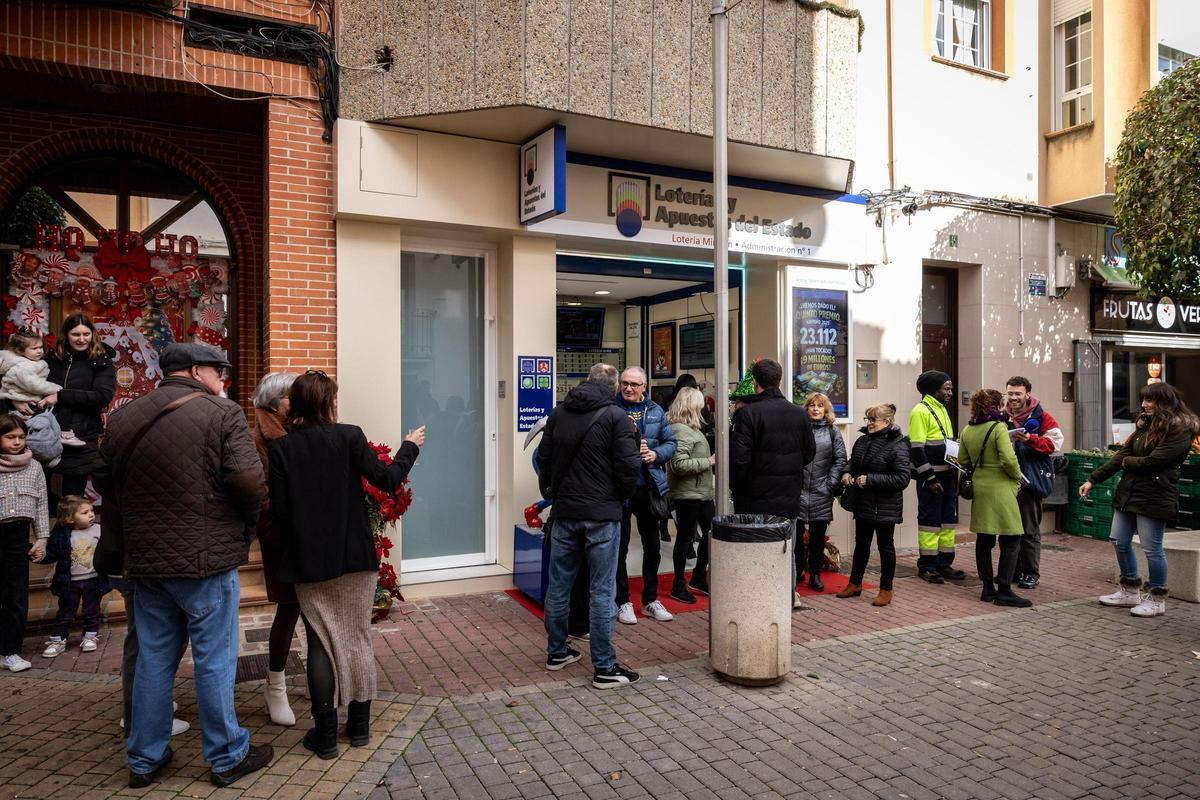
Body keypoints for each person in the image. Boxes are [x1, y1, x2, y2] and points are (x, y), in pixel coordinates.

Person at [94, 342, 271, 789]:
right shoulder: (221, 413)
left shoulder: (124, 417)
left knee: (153, 657)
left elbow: (103, 480)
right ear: (196, 371)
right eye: (219, 371)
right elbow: (249, 481)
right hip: (205, 558)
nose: (224, 380)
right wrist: (247, 524)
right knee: (214, 658)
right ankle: (228, 755)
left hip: (146, 558)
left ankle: (144, 758)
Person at [269, 371, 424, 758]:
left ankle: (324, 737)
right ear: (328, 403)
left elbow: (282, 515)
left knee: (320, 641)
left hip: (308, 562)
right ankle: (358, 730)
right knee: (356, 636)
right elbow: (387, 479)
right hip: (354, 557)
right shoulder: (349, 436)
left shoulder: (282, 449)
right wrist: (409, 446)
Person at [537, 363, 641, 688]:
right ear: (613, 388)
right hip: (602, 515)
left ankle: (556, 651)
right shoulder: (616, 418)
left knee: (558, 585)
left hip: (565, 511)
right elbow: (629, 468)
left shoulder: (558, 414)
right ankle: (605, 668)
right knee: (601, 590)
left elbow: (544, 459)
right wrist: (618, 499)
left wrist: (552, 492)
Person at [1082, 382, 1200, 617]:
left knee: (1152, 548)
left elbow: (1153, 461)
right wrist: (1093, 479)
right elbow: (1122, 455)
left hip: (1155, 495)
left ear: (1165, 402)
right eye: (1143, 400)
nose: (1144, 405)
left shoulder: (1179, 430)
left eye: (1150, 400)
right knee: (1119, 540)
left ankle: (1157, 599)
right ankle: (1129, 590)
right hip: (1130, 492)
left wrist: (1128, 463)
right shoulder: (1146, 426)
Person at [730, 358, 816, 607]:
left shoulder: (747, 415)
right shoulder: (799, 413)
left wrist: (739, 489)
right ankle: (787, 597)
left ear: (755, 384)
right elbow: (809, 453)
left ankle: (758, 601)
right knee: (785, 548)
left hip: (754, 497)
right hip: (788, 494)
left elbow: (739, 460)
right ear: (778, 381)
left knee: (754, 550)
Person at [251, 371, 299, 726]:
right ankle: (276, 685)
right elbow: (259, 492)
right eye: (289, 396)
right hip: (281, 534)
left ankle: (319, 673)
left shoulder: (297, 429)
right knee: (289, 607)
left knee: (314, 605)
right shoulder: (259, 438)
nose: (295, 402)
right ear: (274, 402)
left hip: (308, 532)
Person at [614, 367, 676, 624]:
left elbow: (670, 443)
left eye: (634, 384)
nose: (628, 388)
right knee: (620, 547)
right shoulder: (612, 410)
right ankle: (622, 601)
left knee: (652, 545)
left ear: (644, 386)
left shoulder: (656, 410)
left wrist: (655, 454)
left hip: (649, 487)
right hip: (620, 488)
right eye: (625, 383)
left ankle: (650, 600)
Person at [959, 389, 1031, 608]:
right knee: (1011, 538)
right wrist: (1018, 477)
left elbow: (962, 459)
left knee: (984, 539)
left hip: (981, 487)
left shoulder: (968, 428)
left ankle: (987, 588)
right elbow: (1009, 460)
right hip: (1001, 487)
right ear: (998, 405)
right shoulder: (999, 427)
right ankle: (1005, 590)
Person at [837, 404, 909, 606]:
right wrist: (846, 472)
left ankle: (886, 589)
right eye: (867, 419)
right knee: (861, 546)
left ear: (886, 422)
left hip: (885, 506)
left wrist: (870, 480)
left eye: (873, 420)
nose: (869, 423)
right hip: (863, 503)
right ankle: (855, 584)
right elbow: (854, 461)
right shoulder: (862, 441)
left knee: (886, 547)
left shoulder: (898, 445)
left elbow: (902, 479)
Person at [45, 314, 116, 500]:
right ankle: (49, 528)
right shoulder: (53, 357)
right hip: (47, 431)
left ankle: (70, 528)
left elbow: (102, 396)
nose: (82, 339)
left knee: (73, 495)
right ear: (66, 335)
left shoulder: (101, 361)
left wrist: (61, 396)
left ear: (93, 334)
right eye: (76, 334)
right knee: (41, 490)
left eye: (86, 334)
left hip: (82, 434)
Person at [1004, 377, 1064, 589]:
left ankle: (1031, 573)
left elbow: (1055, 443)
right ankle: (1011, 571)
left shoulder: (1041, 416)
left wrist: (1030, 439)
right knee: (1009, 529)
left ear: (1027, 394)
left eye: (1018, 394)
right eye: (1010, 393)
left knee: (1029, 530)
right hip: (1006, 481)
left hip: (1030, 482)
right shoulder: (1002, 416)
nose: (1013, 398)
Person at [0, 415, 49, 672]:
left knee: (16, 594)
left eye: (21, 437)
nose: (17, 442)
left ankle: (11, 651)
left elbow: (41, 504)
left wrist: (41, 538)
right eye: (10, 437)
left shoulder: (34, 467)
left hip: (18, 535)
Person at [36, 495, 109, 657]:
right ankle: (58, 640)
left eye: (91, 510)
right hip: (69, 582)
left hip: (93, 579)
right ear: (69, 518)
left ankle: (90, 636)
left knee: (92, 610)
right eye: (84, 512)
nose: (91, 514)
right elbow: (52, 554)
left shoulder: (99, 530)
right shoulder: (61, 535)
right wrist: (39, 556)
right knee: (65, 612)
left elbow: (108, 550)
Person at [909, 370, 962, 584]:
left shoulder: (941, 409)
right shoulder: (920, 411)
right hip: (932, 479)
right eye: (947, 388)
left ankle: (944, 563)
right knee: (930, 521)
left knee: (948, 520)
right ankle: (928, 566)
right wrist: (929, 478)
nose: (950, 392)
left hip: (948, 476)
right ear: (934, 389)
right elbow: (916, 449)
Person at [666, 387, 715, 603]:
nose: (704, 408)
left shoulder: (693, 430)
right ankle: (678, 585)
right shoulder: (680, 430)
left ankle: (697, 577)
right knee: (685, 540)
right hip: (687, 494)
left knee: (712, 534)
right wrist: (709, 462)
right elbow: (678, 464)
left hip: (701, 493)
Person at [797, 392, 847, 593]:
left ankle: (815, 575)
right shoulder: (798, 429)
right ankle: (798, 571)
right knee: (796, 536)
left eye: (820, 406)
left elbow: (840, 459)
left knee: (818, 538)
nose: (816, 409)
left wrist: (830, 483)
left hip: (821, 490)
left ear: (826, 410)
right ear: (806, 408)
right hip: (798, 490)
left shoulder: (833, 432)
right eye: (812, 405)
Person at [0, 330, 61, 412]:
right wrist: (58, 390)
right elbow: (34, 385)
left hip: (33, 402)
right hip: (26, 406)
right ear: (19, 350)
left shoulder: (31, 360)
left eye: (41, 347)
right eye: (34, 348)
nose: (39, 351)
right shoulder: (22, 367)